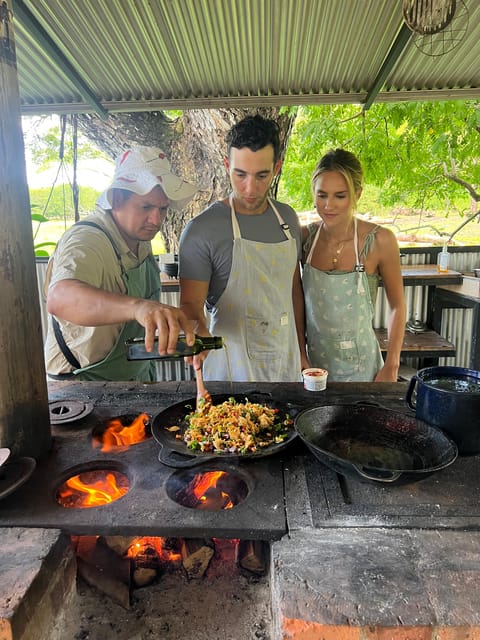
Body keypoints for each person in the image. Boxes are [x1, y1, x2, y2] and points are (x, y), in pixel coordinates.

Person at [44, 146, 197, 381]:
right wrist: (138, 307)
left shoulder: (140, 239)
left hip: (131, 377)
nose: (156, 220)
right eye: (146, 207)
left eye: (163, 209)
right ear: (116, 199)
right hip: (82, 383)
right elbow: (60, 298)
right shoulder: (88, 239)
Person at [178, 114, 308, 382]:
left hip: (286, 363)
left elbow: (292, 289)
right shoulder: (202, 229)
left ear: (276, 167)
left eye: (262, 175)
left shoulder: (288, 219)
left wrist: (301, 350)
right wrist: (198, 331)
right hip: (231, 368)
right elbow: (190, 304)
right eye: (240, 174)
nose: (250, 188)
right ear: (227, 165)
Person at [302, 148, 406, 382]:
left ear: (357, 194)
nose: (329, 205)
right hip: (315, 369)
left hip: (364, 369)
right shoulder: (304, 239)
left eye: (340, 196)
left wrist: (391, 365)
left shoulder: (380, 240)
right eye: (322, 195)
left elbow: (397, 306)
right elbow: (294, 302)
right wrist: (300, 355)